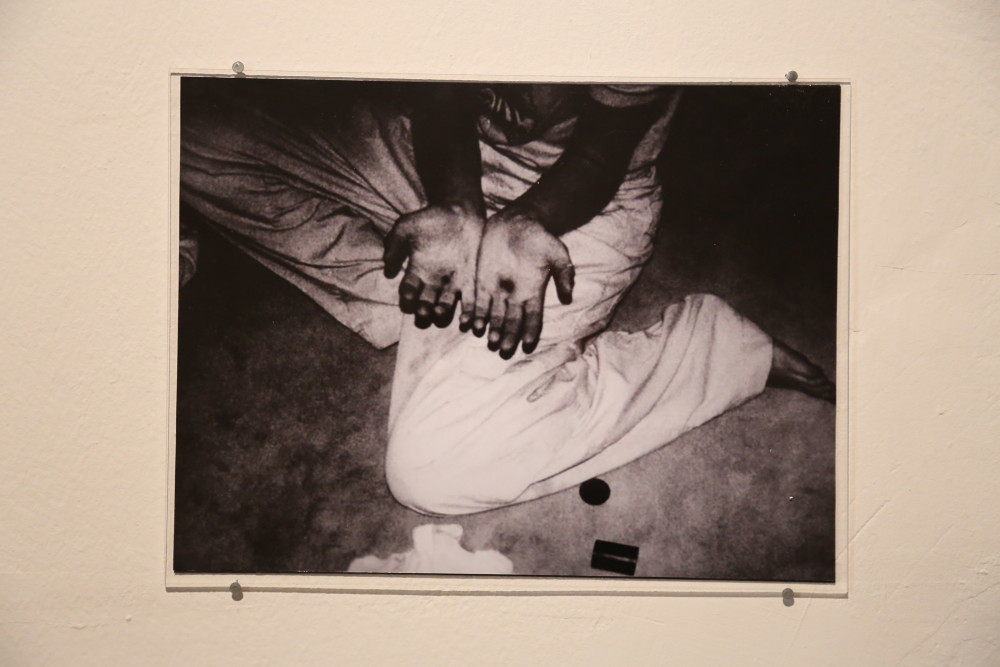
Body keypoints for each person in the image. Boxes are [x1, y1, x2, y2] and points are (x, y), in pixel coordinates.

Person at [180, 78, 833, 516]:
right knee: (187, 131)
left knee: (431, 472)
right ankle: (409, 297)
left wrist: (523, 222)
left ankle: (709, 351)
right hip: (445, 158)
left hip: (585, 202)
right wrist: (456, 208)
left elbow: (602, 153)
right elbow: (442, 94)